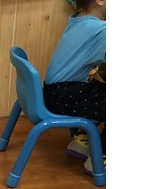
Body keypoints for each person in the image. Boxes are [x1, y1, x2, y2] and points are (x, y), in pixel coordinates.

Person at [43, 0, 106, 175]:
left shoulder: (77, 20)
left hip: (55, 93)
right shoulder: (101, 30)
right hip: (67, 96)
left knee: (100, 90)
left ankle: (81, 141)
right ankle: (101, 159)